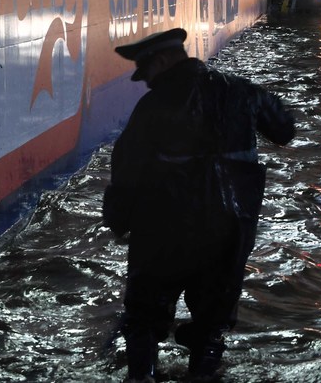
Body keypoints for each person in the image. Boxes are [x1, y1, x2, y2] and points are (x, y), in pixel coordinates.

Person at [103, 28, 296, 382]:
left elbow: (126, 168)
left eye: (146, 73)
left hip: (164, 232)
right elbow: (285, 129)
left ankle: (141, 375)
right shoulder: (241, 90)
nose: (146, 83)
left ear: (161, 61)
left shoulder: (154, 105)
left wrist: (118, 219)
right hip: (229, 232)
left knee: (143, 319)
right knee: (212, 326)